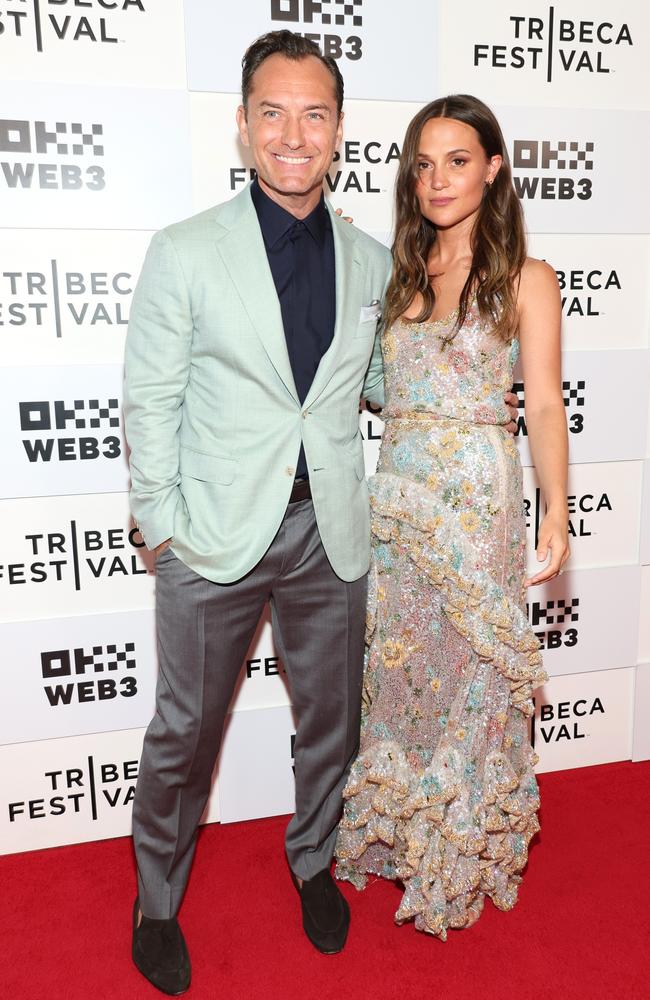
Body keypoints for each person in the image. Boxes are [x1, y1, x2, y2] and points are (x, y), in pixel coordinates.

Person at [124, 31, 519, 990]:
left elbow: (392, 376)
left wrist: (479, 395)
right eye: (273, 112)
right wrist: (161, 528)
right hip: (211, 536)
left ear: (339, 130)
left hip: (333, 533)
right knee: (186, 730)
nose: (292, 134)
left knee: (333, 724)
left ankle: (313, 861)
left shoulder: (373, 260)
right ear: (245, 124)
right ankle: (156, 899)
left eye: (314, 114)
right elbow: (149, 400)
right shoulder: (184, 251)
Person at [334, 95, 569, 940]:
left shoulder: (525, 278)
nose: (438, 180)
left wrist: (558, 508)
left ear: (494, 167)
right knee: (401, 673)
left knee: (473, 679)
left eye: (458, 160)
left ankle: (460, 848)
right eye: (423, 164)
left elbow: (542, 402)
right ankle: (401, 832)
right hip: (398, 496)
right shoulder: (395, 273)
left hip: (477, 499)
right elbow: (366, 386)